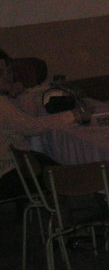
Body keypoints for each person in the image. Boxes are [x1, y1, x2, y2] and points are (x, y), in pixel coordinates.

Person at [0, 50, 80, 201]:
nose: (7, 77)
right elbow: (32, 126)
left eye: (8, 71)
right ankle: (61, 214)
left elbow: (29, 117)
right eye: (0, 72)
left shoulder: (4, 99)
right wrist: (73, 115)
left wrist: (22, 93)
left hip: (16, 167)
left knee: (56, 164)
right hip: (7, 174)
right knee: (65, 173)